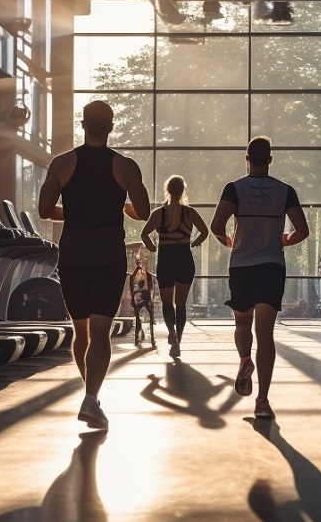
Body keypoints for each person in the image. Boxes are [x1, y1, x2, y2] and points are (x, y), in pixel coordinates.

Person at [38, 100, 150, 429]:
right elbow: (142, 212)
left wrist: (74, 211)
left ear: (83, 125)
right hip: (107, 254)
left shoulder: (61, 164)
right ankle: (90, 398)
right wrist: (119, 202)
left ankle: (92, 398)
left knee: (81, 332)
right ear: (111, 126)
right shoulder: (126, 167)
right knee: (101, 332)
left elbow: (45, 210)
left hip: (73, 254)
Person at [210, 136, 309, 420]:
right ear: (270, 159)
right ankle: (262, 401)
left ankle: (244, 359)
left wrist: (230, 240)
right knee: (265, 334)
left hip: (241, 265)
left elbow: (217, 225)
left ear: (247, 158)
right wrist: (283, 239)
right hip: (271, 265)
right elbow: (302, 231)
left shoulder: (234, 189)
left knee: (243, 322)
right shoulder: (284, 191)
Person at [141, 175, 209, 359]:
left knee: (166, 303)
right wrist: (194, 243)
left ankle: (171, 332)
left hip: (166, 260)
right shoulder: (190, 213)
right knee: (181, 304)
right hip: (184, 259)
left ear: (167, 190)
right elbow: (205, 231)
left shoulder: (159, 214)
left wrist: (152, 246)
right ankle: (178, 340)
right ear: (183, 190)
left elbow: (144, 234)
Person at [128, 252, 156, 349]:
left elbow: (151, 288)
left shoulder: (147, 274)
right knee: (138, 318)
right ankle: (139, 337)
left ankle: (149, 338)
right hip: (139, 297)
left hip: (145, 297)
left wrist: (151, 299)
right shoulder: (135, 275)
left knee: (149, 317)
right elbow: (132, 287)